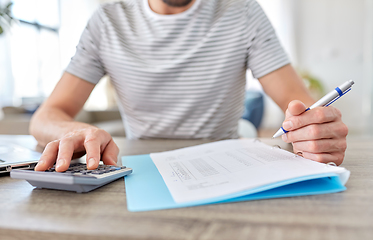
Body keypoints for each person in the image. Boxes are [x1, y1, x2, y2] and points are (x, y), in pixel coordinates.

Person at [31, 0, 348, 172]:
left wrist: (314, 131)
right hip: (140, 168)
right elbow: (46, 117)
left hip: (227, 168)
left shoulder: (244, 12)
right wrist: (76, 132)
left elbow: (301, 108)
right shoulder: (106, 22)